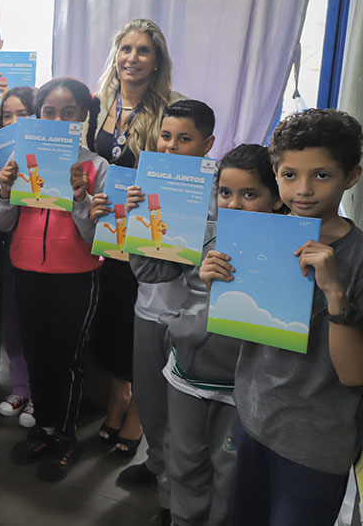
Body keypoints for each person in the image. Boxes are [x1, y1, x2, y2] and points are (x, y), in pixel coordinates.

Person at [205, 109, 363, 526]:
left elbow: (353, 374)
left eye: (322, 175)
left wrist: (333, 290)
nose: (304, 190)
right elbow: (246, 330)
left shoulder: (357, 257)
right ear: (275, 174)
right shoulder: (259, 234)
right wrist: (218, 284)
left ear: (352, 176)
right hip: (253, 418)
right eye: (290, 175)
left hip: (315, 440)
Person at [136, 144, 281, 526]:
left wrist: (231, 291)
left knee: (229, 475)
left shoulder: (286, 249)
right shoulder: (202, 231)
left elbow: (279, 330)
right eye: (225, 193)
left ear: (276, 198)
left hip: (239, 388)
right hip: (185, 374)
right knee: (183, 463)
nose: (234, 204)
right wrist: (139, 217)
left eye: (250, 194)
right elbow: (150, 272)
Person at [101, 99, 215, 517]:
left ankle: (174, 500)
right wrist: (127, 214)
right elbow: (138, 258)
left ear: (208, 144)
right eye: (166, 137)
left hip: (190, 319)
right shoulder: (143, 185)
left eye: (184, 139)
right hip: (148, 311)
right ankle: (156, 466)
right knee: (150, 404)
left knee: (183, 416)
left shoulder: (219, 191)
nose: (171, 146)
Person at [0, 77, 106, 482]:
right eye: (49, 113)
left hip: (75, 277)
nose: (58, 120)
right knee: (37, 355)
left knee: (67, 362)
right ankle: (42, 427)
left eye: (68, 113)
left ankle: (66, 436)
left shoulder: (97, 167)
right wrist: (4, 191)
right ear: (38, 116)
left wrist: (81, 198)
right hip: (26, 271)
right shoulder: (21, 162)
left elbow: (99, 239)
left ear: (83, 117)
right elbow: (0, 221)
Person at [88, 18, 185, 472]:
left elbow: (182, 174)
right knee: (109, 319)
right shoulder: (99, 103)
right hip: (104, 227)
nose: (132, 57)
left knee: (139, 327)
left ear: (157, 60)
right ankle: (117, 398)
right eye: (125, 48)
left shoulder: (172, 109)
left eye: (143, 50)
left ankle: (139, 417)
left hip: (147, 232)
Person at [0, 86, 35, 426]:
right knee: (16, 323)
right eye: (7, 115)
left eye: (22, 113)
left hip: (52, 258)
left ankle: (40, 393)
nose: (14, 121)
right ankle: (20, 388)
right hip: (13, 251)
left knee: (44, 327)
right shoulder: (0, 156)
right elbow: (0, 217)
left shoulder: (57, 155)